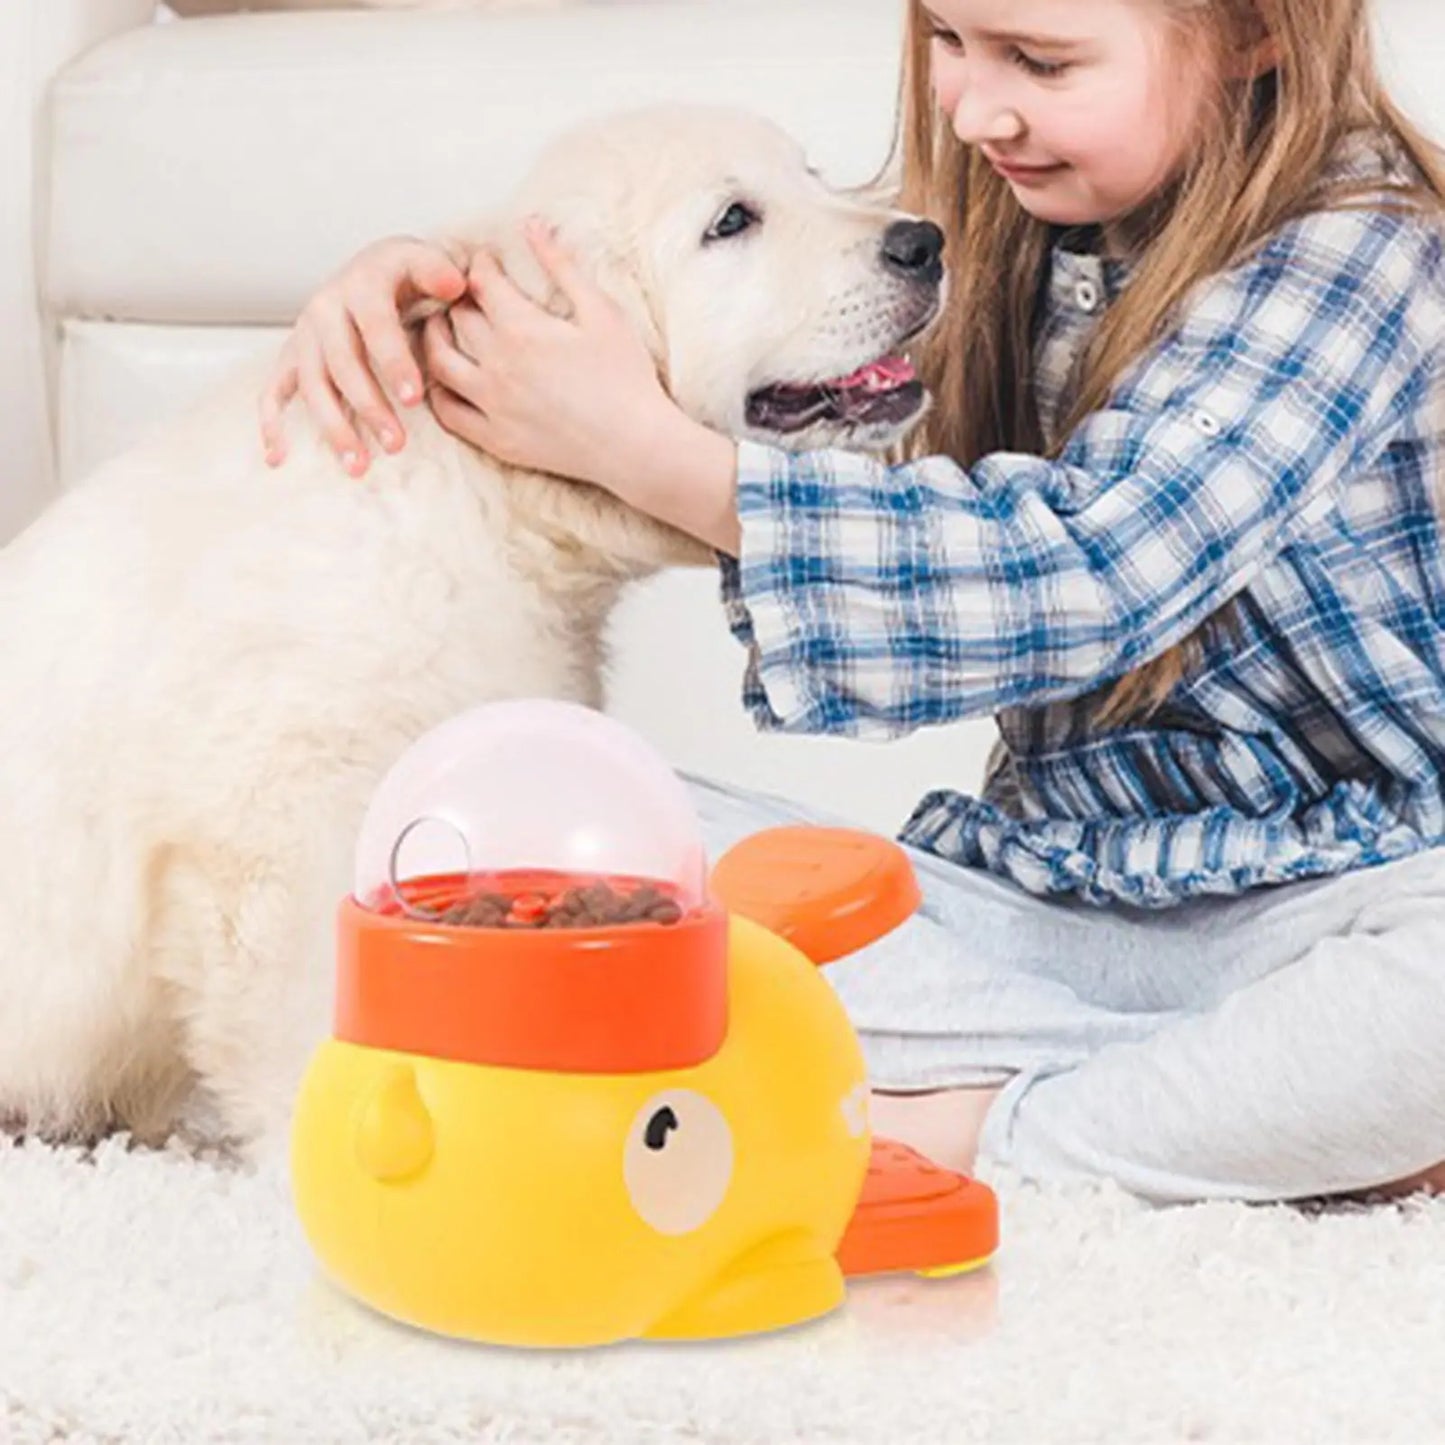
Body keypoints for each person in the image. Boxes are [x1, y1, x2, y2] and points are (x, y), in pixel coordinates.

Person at [258, 0, 1445, 1205]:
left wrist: (655, 457)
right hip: (1042, 902)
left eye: (1038, 60)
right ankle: (1225, 1107)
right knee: (517, 814)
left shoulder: (1359, 248)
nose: (977, 108)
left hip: (1343, 896)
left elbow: (1090, 576)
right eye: (947, 41)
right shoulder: (1002, 209)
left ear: (1257, 35)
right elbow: (729, 372)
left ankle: (985, 1135)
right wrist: (435, 289)